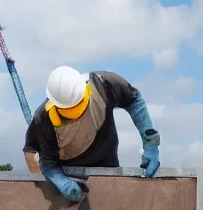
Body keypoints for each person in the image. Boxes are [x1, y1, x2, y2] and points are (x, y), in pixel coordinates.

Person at [23, 65, 161, 202]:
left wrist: (150, 142)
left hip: (107, 166)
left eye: (77, 106)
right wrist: (62, 183)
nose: (75, 113)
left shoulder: (103, 84)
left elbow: (134, 101)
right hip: (71, 175)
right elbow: (47, 163)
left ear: (86, 90)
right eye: (68, 110)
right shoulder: (44, 119)